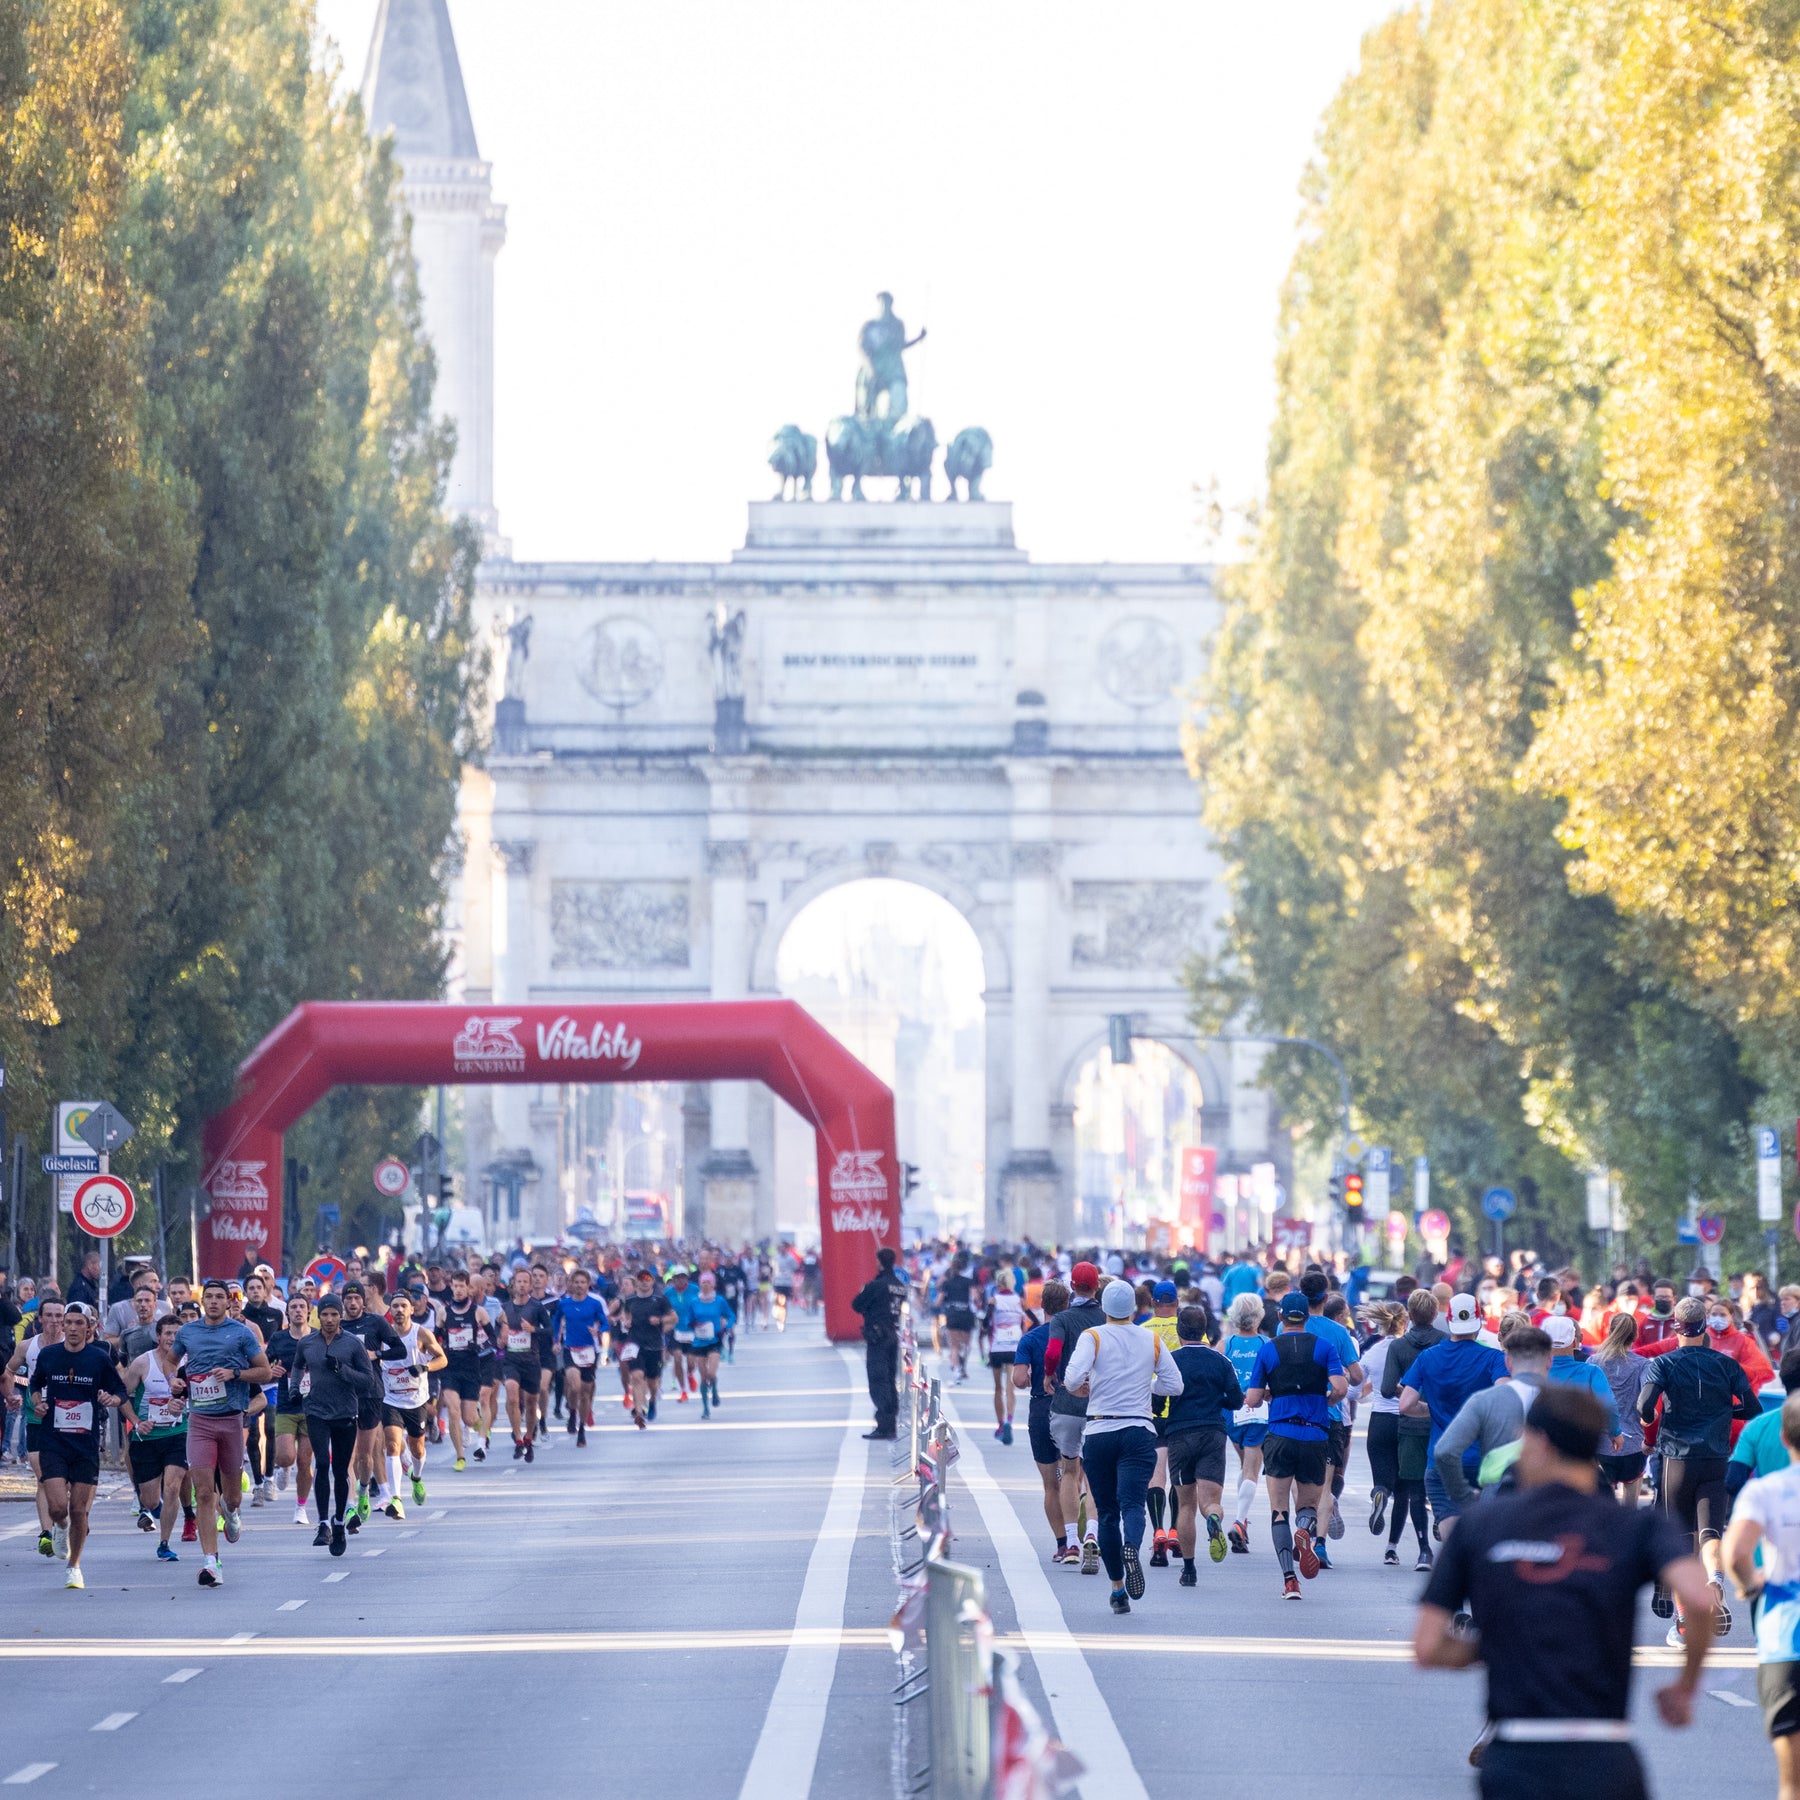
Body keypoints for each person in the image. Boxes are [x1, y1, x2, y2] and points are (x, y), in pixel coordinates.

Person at [1417, 1385, 1714, 1800]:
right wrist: (1685, 1687)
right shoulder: (1634, 1525)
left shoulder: (1481, 1525)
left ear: (1540, 1442)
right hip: (1605, 1754)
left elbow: (1428, 1647)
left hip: (1515, 1757)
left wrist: (1496, 1645)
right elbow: (1699, 1599)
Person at [1639, 1295, 1759, 1644]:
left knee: (1679, 1539)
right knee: (1710, 1533)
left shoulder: (1664, 1364)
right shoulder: (1727, 1365)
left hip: (1677, 1456)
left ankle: (1683, 1619)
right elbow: (1750, 1407)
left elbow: (1645, 1405)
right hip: (1716, 1455)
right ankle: (1716, 1583)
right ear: (1705, 1326)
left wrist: (1650, 1421)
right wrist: (1723, 1416)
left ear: (1676, 1327)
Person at [1062, 1278, 1184, 1615]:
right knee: (1133, 1504)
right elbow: (1175, 1385)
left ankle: (1117, 1589)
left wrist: (1087, 1386)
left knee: (1107, 1511)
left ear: (1103, 1307)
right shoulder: (1152, 1339)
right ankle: (1133, 1545)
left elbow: (1072, 1379)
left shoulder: (1094, 1337)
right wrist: (1147, 1387)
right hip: (1139, 1429)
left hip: (1100, 1428)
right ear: (1134, 1308)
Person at [1242, 1289, 1347, 1600]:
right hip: (1315, 1434)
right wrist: (1327, 1398)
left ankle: (1290, 1580)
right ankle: (1305, 1528)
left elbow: (1252, 1398)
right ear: (1309, 1317)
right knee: (1309, 1505)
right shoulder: (1325, 1347)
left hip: (1280, 1434)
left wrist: (1273, 1394)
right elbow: (1341, 1386)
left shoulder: (1269, 1350)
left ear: (1280, 1317)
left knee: (1278, 1510)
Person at [1721, 1392, 1800, 1800]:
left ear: (1784, 1439)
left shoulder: (1765, 1492)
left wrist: (1750, 1583)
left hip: (1784, 1637)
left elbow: (1734, 1553)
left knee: (1792, 1782)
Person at [172, 1276, 273, 1588]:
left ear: (229, 1302)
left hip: (231, 1419)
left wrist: (235, 1373)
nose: (214, 1301)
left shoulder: (241, 1333)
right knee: (203, 1492)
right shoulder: (188, 1332)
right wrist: (175, 1383)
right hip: (200, 1420)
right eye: (209, 1297)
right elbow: (169, 1362)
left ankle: (231, 1512)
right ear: (203, 1301)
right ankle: (210, 1563)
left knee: (230, 1495)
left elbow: (266, 1371)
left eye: (219, 1297)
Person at [29, 1303, 135, 1588]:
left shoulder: (98, 1358)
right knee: (57, 1509)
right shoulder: (49, 1356)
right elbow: (34, 1385)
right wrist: (37, 1402)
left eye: (79, 1323)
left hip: (85, 1443)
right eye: (69, 1323)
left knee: (79, 1510)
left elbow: (120, 1391)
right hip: (52, 1440)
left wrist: (111, 1400)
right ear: (62, 1325)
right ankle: (60, 1528)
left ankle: (73, 1566)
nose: (74, 1328)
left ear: (89, 1328)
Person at [1398, 1291, 1507, 1543]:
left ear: (1448, 1321)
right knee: (1486, 1531)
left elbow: (1405, 1405)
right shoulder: (1494, 1358)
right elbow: (1505, 1395)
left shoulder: (1428, 1357)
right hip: (1485, 1461)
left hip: (1441, 1459)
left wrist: (1430, 1410)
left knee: (1451, 1532)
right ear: (1479, 1321)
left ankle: (1460, 1572)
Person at [287, 1293, 378, 1556]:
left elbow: (367, 1380)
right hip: (315, 1410)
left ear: (340, 1317)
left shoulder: (352, 1344)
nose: (329, 1319)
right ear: (318, 1315)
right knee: (322, 1465)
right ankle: (323, 1524)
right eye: (325, 1314)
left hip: (345, 1413)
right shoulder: (307, 1343)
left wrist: (343, 1370)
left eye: (334, 1315)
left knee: (340, 1470)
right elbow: (297, 1366)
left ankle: (339, 1522)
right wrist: (295, 1389)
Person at [1161, 1304, 1244, 1584]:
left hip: (1180, 1434)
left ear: (1179, 1330)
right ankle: (1213, 1518)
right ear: (1205, 1329)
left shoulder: (1170, 1361)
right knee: (1210, 1502)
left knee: (1185, 1504)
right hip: (1212, 1433)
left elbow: (1158, 1399)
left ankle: (1189, 1568)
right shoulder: (1220, 1361)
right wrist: (1216, 1401)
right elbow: (1236, 1400)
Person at [1432, 1325, 1552, 1508]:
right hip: (1551, 1506)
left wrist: (1463, 1495)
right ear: (1549, 1361)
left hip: (1496, 1505)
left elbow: (1445, 1451)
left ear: (1508, 1362)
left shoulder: (1485, 1400)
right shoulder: (1569, 1402)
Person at [1044, 1262, 1107, 1574]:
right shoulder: (1105, 1319)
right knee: (1094, 1474)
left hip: (1067, 1404)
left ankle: (1071, 1542)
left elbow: (1053, 1351)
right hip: (1099, 1405)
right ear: (1097, 1286)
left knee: (1069, 1471)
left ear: (1072, 1285)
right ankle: (1093, 1532)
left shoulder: (1063, 1319)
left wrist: (1048, 1375)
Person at [1299, 1269, 1362, 1560]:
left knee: (1300, 1481)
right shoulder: (1339, 1333)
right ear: (1326, 1297)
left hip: (1294, 1415)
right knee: (1325, 1485)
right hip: (1329, 1416)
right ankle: (1320, 1544)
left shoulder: (1289, 1328)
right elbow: (1358, 1376)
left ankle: (1303, 1526)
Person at [1014, 1281, 1073, 1560]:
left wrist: (1029, 1379)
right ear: (1066, 1305)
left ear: (1042, 1306)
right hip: (1071, 1406)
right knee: (1074, 1477)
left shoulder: (1030, 1338)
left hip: (1040, 1409)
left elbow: (1018, 1380)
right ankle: (1080, 1536)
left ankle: (1062, 1544)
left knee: (1051, 1485)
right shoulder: (1075, 1335)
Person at [123, 1314, 188, 1562]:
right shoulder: (142, 1363)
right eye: (168, 1333)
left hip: (178, 1433)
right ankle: (156, 1510)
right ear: (158, 1336)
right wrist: (137, 1422)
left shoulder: (189, 1363)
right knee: (150, 1500)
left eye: (177, 1334)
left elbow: (199, 1397)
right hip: (147, 1438)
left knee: (172, 1486)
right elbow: (122, 1395)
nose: (172, 1338)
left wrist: (183, 1406)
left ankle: (165, 1543)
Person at [378, 1290, 446, 1517]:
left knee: (417, 1448)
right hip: (390, 1399)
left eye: (403, 1306)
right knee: (392, 1445)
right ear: (390, 1310)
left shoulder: (421, 1334)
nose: (398, 1310)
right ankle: (396, 1500)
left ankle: (416, 1477)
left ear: (411, 1310)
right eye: (395, 1306)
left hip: (416, 1400)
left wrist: (425, 1367)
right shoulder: (382, 1336)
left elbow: (442, 1359)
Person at [1356, 1301, 1408, 1563]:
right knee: (1404, 1490)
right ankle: (1391, 1548)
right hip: (1406, 1419)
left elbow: (1355, 1389)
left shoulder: (1374, 1352)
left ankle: (1379, 1493)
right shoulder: (1410, 1350)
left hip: (1379, 1421)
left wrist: (1364, 1395)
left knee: (1383, 1480)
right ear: (1405, 1322)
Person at [1220, 1291, 1270, 1555]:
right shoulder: (1266, 1343)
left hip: (1231, 1410)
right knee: (1252, 1467)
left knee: (1245, 1465)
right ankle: (1240, 1521)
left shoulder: (1225, 1344)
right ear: (1259, 1315)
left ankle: (1243, 1520)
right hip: (1259, 1407)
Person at [265, 1291, 316, 1526]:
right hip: (286, 1404)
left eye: (301, 1307)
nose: (297, 1310)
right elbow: (264, 1365)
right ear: (287, 1312)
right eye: (293, 1307)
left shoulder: (318, 1337)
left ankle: (300, 1507)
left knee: (305, 1462)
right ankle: (283, 1468)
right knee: (285, 1456)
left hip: (313, 1408)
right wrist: (271, 1371)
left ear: (309, 1311)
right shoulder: (279, 1338)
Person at [1590, 1310, 1651, 1502]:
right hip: (1634, 1443)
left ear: (1609, 1332)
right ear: (1635, 1336)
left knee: (1602, 1504)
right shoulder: (1642, 1365)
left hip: (1600, 1442)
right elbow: (1646, 1400)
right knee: (1631, 1506)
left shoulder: (1593, 1362)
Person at [851, 1247, 908, 1440]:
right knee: (890, 1379)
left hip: (878, 1336)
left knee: (878, 1380)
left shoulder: (876, 1285)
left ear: (879, 1262)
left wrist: (866, 1294)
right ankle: (890, 1422)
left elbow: (857, 1304)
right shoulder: (900, 1285)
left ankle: (884, 1424)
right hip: (893, 1333)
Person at [554, 1265, 607, 1443]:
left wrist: (598, 1330)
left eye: (583, 1282)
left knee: (585, 1392)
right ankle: (572, 1412)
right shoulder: (564, 1303)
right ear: (571, 1284)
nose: (579, 1285)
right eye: (576, 1282)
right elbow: (556, 1323)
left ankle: (582, 1427)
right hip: (570, 1348)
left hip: (589, 1350)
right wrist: (556, 1341)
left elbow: (605, 1324)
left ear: (588, 1284)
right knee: (574, 1386)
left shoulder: (595, 1303)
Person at [984, 1270, 1029, 1445]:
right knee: (1010, 1389)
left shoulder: (994, 1300)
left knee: (998, 1389)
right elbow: (1031, 1319)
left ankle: (1000, 1425)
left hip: (997, 1347)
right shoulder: (1020, 1301)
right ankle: (1010, 1420)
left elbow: (985, 1322)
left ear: (998, 1284)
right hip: (1014, 1347)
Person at [687, 1270, 736, 1420]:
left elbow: (731, 1315)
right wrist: (695, 1324)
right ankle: (705, 1408)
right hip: (699, 1342)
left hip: (715, 1340)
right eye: (703, 1282)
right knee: (703, 1377)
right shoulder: (694, 1301)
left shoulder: (719, 1300)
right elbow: (688, 1320)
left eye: (708, 1282)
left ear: (713, 1285)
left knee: (711, 1373)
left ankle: (714, 1390)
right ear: (700, 1284)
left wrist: (726, 1328)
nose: (706, 1285)